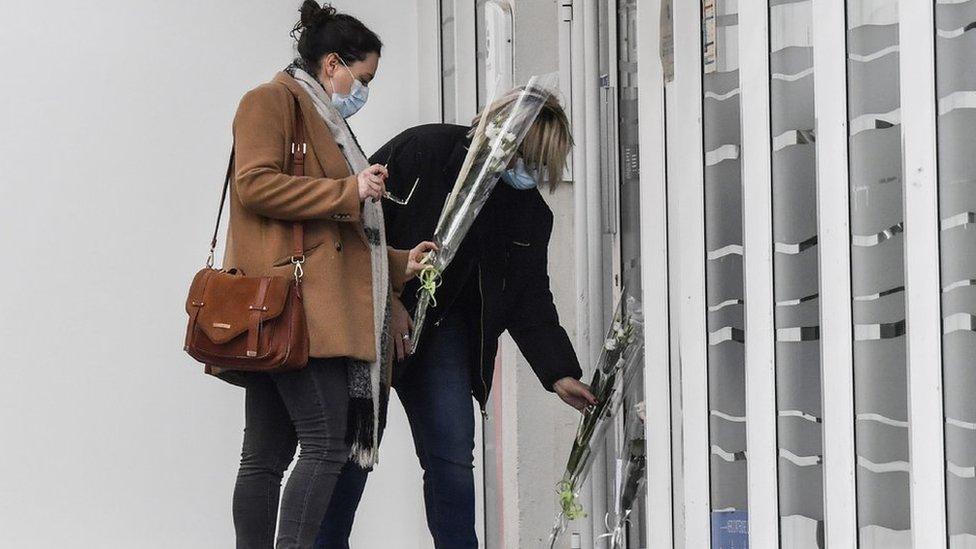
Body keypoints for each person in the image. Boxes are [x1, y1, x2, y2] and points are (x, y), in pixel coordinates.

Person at [315, 91, 598, 548]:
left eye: (541, 165)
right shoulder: (424, 150)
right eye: (526, 157)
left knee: (451, 458)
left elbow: (529, 299)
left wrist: (559, 371)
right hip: (371, 321)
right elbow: (351, 221)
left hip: (444, 335)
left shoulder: (529, 215)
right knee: (352, 453)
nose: (530, 174)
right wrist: (389, 298)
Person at [218, 2, 436, 547]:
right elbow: (254, 185)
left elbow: (332, 240)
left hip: (299, 306)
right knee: (325, 444)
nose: (365, 91)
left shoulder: (323, 119)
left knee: (266, 455)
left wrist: (399, 262)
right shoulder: (270, 101)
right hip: (295, 309)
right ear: (332, 63)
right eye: (363, 78)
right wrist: (350, 190)